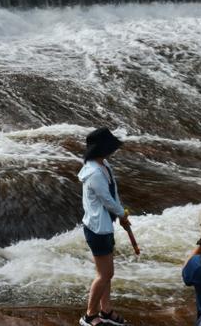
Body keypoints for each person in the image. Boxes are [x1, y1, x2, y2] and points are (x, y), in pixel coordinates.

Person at [78, 127, 131, 326]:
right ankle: (90, 315)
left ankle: (106, 310)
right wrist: (120, 213)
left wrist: (121, 214)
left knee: (107, 272)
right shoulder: (93, 173)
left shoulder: (104, 165)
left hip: (105, 226)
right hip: (97, 229)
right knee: (105, 274)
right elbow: (106, 200)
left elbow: (113, 193)